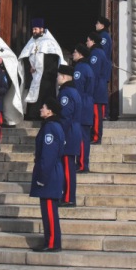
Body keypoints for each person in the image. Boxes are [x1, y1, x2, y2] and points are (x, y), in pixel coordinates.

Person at [30, 98, 66, 252]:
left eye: (43, 106)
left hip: (50, 174)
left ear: (50, 111)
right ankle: (49, 240)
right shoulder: (53, 126)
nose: (41, 109)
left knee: (50, 210)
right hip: (53, 171)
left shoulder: (50, 128)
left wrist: (42, 178)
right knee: (47, 210)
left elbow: (48, 155)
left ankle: (52, 242)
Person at [17, 18, 63, 118]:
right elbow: (25, 58)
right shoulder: (31, 43)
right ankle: (33, 115)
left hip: (47, 78)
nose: (34, 31)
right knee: (34, 97)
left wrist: (44, 72)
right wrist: (30, 68)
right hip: (35, 77)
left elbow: (54, 61)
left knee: (45, 96)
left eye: (36, 29)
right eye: (33, 29)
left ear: (42, 29)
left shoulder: (50, 42)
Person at [56, 64, 82, 207]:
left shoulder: (66, 93)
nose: (57, 78)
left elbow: (65, 115)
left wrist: (59, 133)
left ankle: (68, 197)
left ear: (65, 77)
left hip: (68, 133)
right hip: (73, 131)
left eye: (59, 75)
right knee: (68, 166)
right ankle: (67, 195)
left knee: (67, 167)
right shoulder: (72, 91)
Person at [71, 44, 95, 172]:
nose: (73, 54)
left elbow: (78, 88)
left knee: (81, 137)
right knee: (83, 136)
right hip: (87, 104)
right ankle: (82, 163)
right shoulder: (88, 67)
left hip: (82, 105)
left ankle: (81, 164)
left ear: (80, 54)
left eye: (75, 52)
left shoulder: (80, 68)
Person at [85, 32, 110, 143]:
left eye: (88, 40)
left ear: (93, 41)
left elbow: (93, 73)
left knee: (96, 115)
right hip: (98, 88)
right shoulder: (98, 52)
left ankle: (96, 137)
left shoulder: (95, 54)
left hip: (96, 89)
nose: (86, 42)